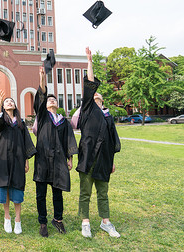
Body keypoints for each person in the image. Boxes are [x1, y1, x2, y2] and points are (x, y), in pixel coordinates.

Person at [71, 47, 122, 238]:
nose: (96, 96)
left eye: (99, 96)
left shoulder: (108, 117)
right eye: (93, 95)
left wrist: (112, 161)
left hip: (104, 159)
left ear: (102, 100)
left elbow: (113, 141)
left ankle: (105, 222)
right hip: (87, 157)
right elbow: (90, 83)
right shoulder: (88, 110)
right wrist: (89, 62)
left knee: (103, 193)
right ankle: (85, 222)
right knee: (85, 193)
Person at [32, 66, 78, 237]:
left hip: (59, 160)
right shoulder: (43, 117)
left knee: (57, 191)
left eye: (54, 100)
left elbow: (69, 140)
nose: (51, 101)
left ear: (58, 104)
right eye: (49, 100)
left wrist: (70, 158)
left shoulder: (63, 122)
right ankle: (43, 222)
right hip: (43, 159)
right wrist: (42, 79)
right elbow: (41, 96)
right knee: (41, 193)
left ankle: (57, 219)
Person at [0, 90, 36, 234]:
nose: (9, 102)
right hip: (3, 157)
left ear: (15, 105)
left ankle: (18, 220)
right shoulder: (2, 121)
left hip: (18, 158)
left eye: (11, 101)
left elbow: (26, 141)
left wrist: (26, 160)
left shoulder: (20, 122)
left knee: (17, 186)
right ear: (3, 107)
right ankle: (7, 217)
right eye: (6, 102)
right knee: (5, 186)